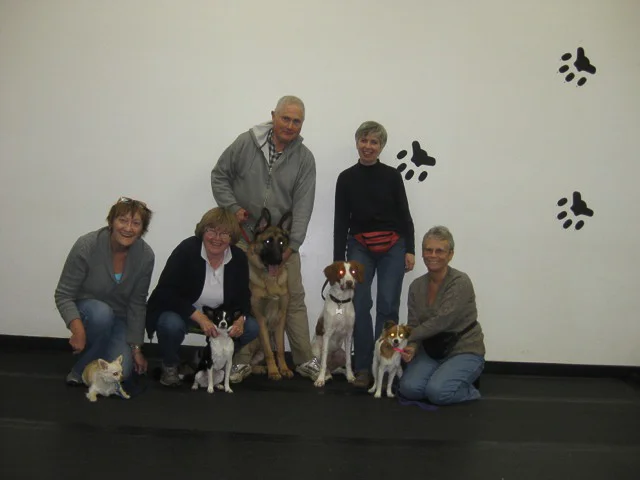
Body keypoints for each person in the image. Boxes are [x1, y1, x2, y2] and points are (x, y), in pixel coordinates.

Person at [211, 95, 321, 382]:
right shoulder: (246, 143)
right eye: (285, 118)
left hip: (281, 242)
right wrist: (232, 208)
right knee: (243, 300)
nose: (290, 125)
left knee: (293, 300)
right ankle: (241, 361)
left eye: (297, 121)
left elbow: (304, 205)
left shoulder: (304, 159)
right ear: (273, 116)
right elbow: (219, 176)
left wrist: (292, 246)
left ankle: (304, 359)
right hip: (243, 237)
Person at [333, 121, 415, 389]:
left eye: (374, 142)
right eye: (364, 140)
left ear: (381, 147)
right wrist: (339, 261)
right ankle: (363, 368)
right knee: (360, 304)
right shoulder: (346, 178)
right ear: (357, 142)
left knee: (388, 305)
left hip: (394, 245)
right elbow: (340, 221)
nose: (368, 146)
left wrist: (410, 249)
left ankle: (386, 365)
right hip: (359, 245)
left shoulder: (392, 176)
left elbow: (404, 214)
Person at [145, 207, 260, 387]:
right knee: (169, 323)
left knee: (251, 327)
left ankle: (208, 359)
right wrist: (199, 317)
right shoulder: (187, 249)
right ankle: (170, 365)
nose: (216, 238)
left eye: (224, 233)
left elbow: (243, 296)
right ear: (202, 231)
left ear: (232, 238)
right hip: (184, 312)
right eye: (211, 230)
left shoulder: (238, 258)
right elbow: (165, 291)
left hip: (219, 318)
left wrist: (241, 319)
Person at [55, 197, 155, 384]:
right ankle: (79, 371)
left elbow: (137, 304)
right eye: (123, 220)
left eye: (136, 223)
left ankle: (95, 353)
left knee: (123, 372)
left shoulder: (146, 256)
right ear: (111, 222)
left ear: (143, 229)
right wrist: (78, 331)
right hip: (89, 312)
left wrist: (136, 349)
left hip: (119, 319)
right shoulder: (87, 245)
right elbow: (63, 295)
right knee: (102, 314)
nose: (128, 228)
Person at [398, 226, 485, 405]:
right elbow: (414, 323)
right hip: (431, 349)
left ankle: (469, 389)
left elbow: (441, 321)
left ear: (450, 254)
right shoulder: (416, 286)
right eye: (428, 250)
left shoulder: (460, 282)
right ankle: (445, 379)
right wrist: (412, 347)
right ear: (422, 252)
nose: (433, 255)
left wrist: (403, 336)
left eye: (440, 251)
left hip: (464, 349)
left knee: (438, 393)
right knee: (408, 389)